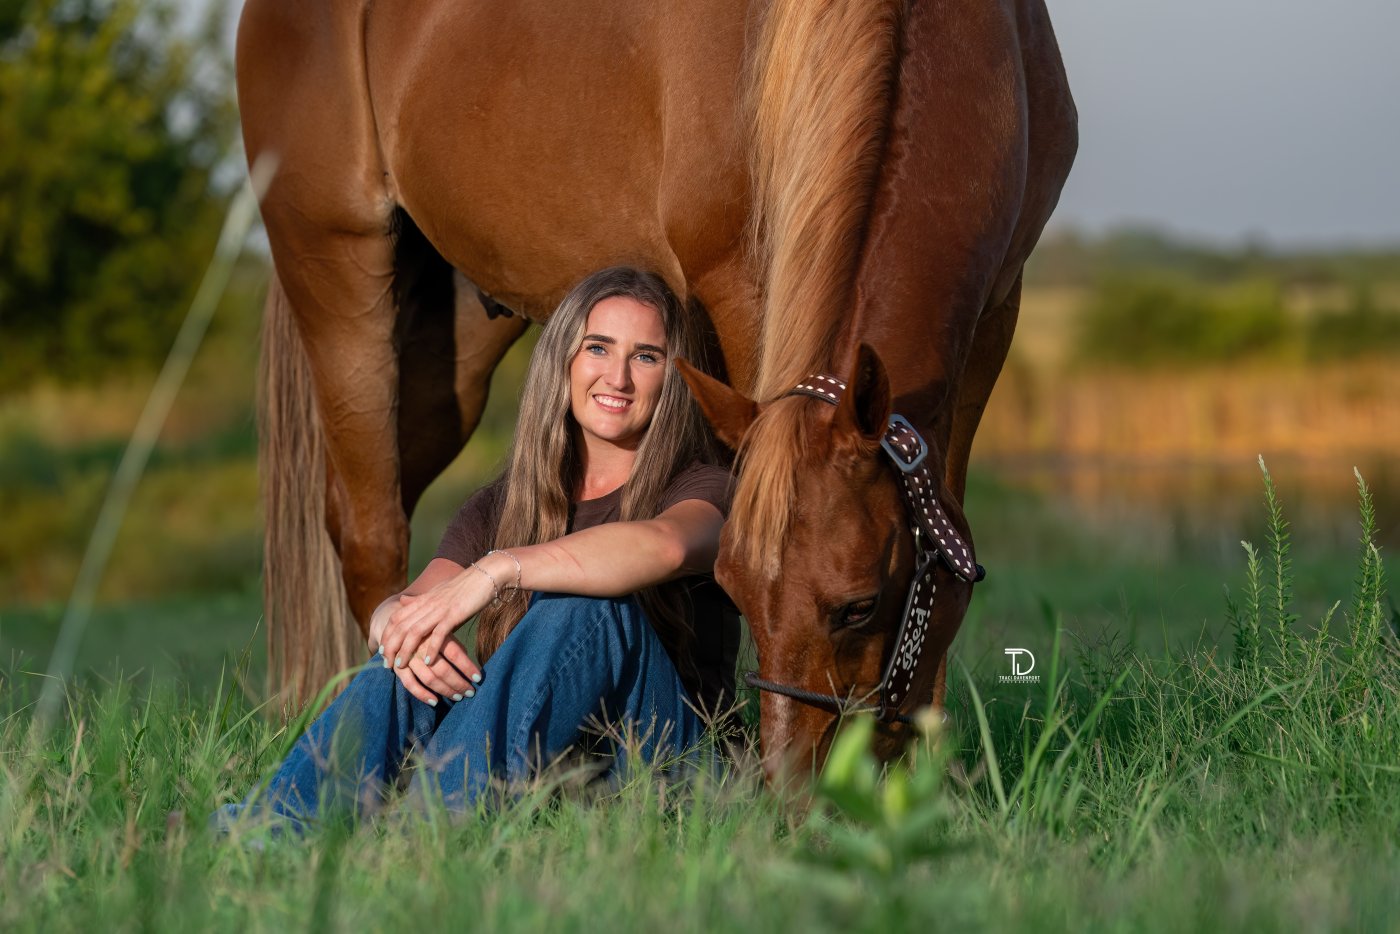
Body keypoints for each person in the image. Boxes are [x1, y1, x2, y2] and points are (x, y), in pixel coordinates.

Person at [228, 267, 738, 826]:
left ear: (671, 375)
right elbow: (404, 610)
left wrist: (499, 569)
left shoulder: (705, 487)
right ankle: (275, 827)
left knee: (585, 605)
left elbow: (666, 547)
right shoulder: (505, 503)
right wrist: (399, 629)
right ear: (564, 360)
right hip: (556, 769)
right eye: (598, 347)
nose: (617, 377)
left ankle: (423, 835)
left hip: (672, 768)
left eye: (646, 356)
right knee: (412, 652)